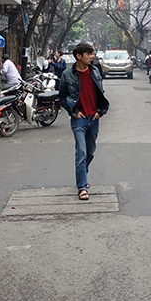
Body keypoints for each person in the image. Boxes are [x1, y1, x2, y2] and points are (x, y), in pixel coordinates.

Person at [59, 43, 109, 201]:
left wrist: (100, 112)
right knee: (81, 152)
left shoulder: (95, 71)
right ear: (79, 56)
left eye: (93, 54)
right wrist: (74, 112)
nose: (92, 56)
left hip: (93, 119)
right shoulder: (67, 75)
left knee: (90, 151)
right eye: (89, 54)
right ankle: (82, 187)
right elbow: (62, 97)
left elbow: (101, 92)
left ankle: (83, 174)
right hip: (79, 119)